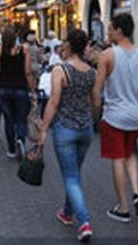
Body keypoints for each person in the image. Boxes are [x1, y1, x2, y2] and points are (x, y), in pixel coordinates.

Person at [36, 29, 97, 243]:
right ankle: (66, 212)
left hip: (65, 129)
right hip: (85, 129)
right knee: (74, 174)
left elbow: (53, 102)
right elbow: (95, 102)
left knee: (71, 177)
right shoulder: (91, 72)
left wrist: (43, 129)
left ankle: (84, 221)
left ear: (69, 46)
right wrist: (91, 120)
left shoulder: (60, 70)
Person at [94, 13, 138, 223]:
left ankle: (124, 206)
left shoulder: (107, 55)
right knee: (130, 154)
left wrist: (95, 112)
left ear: (119, 30)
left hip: (114, 115)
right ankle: (137, 193)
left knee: (117, 158)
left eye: (110, 29)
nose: (108, 32)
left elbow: (98, 89)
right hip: (136, 115)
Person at [0, 25, 35, 159]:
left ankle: (11, 149)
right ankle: (21, 141)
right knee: (21, 118)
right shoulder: (24, 49)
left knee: (8, 119)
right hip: (21, 88)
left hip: (4, 89)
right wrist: (32, 90)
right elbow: (28, 72)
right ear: (16, 36)